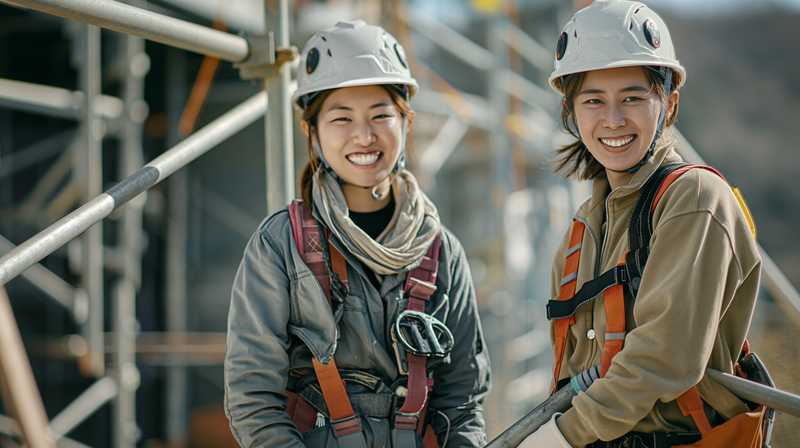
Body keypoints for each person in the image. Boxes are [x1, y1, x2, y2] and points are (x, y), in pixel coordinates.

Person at [224, 20, 491, 448]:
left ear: (406, 122)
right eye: (341, 118)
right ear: (311, 130)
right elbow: (252, 400)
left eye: (381, 115)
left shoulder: (440, 250)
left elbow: (462, 401)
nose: (364, 136)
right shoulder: (281, 245)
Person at [519, 1, 762, 447]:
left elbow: (664, 357)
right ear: (571, 112)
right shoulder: (581, 233)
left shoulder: (694, 200)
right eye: (593, 100)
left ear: (668, 104)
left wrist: (562, 437)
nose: (613, 120)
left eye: (633, 97)